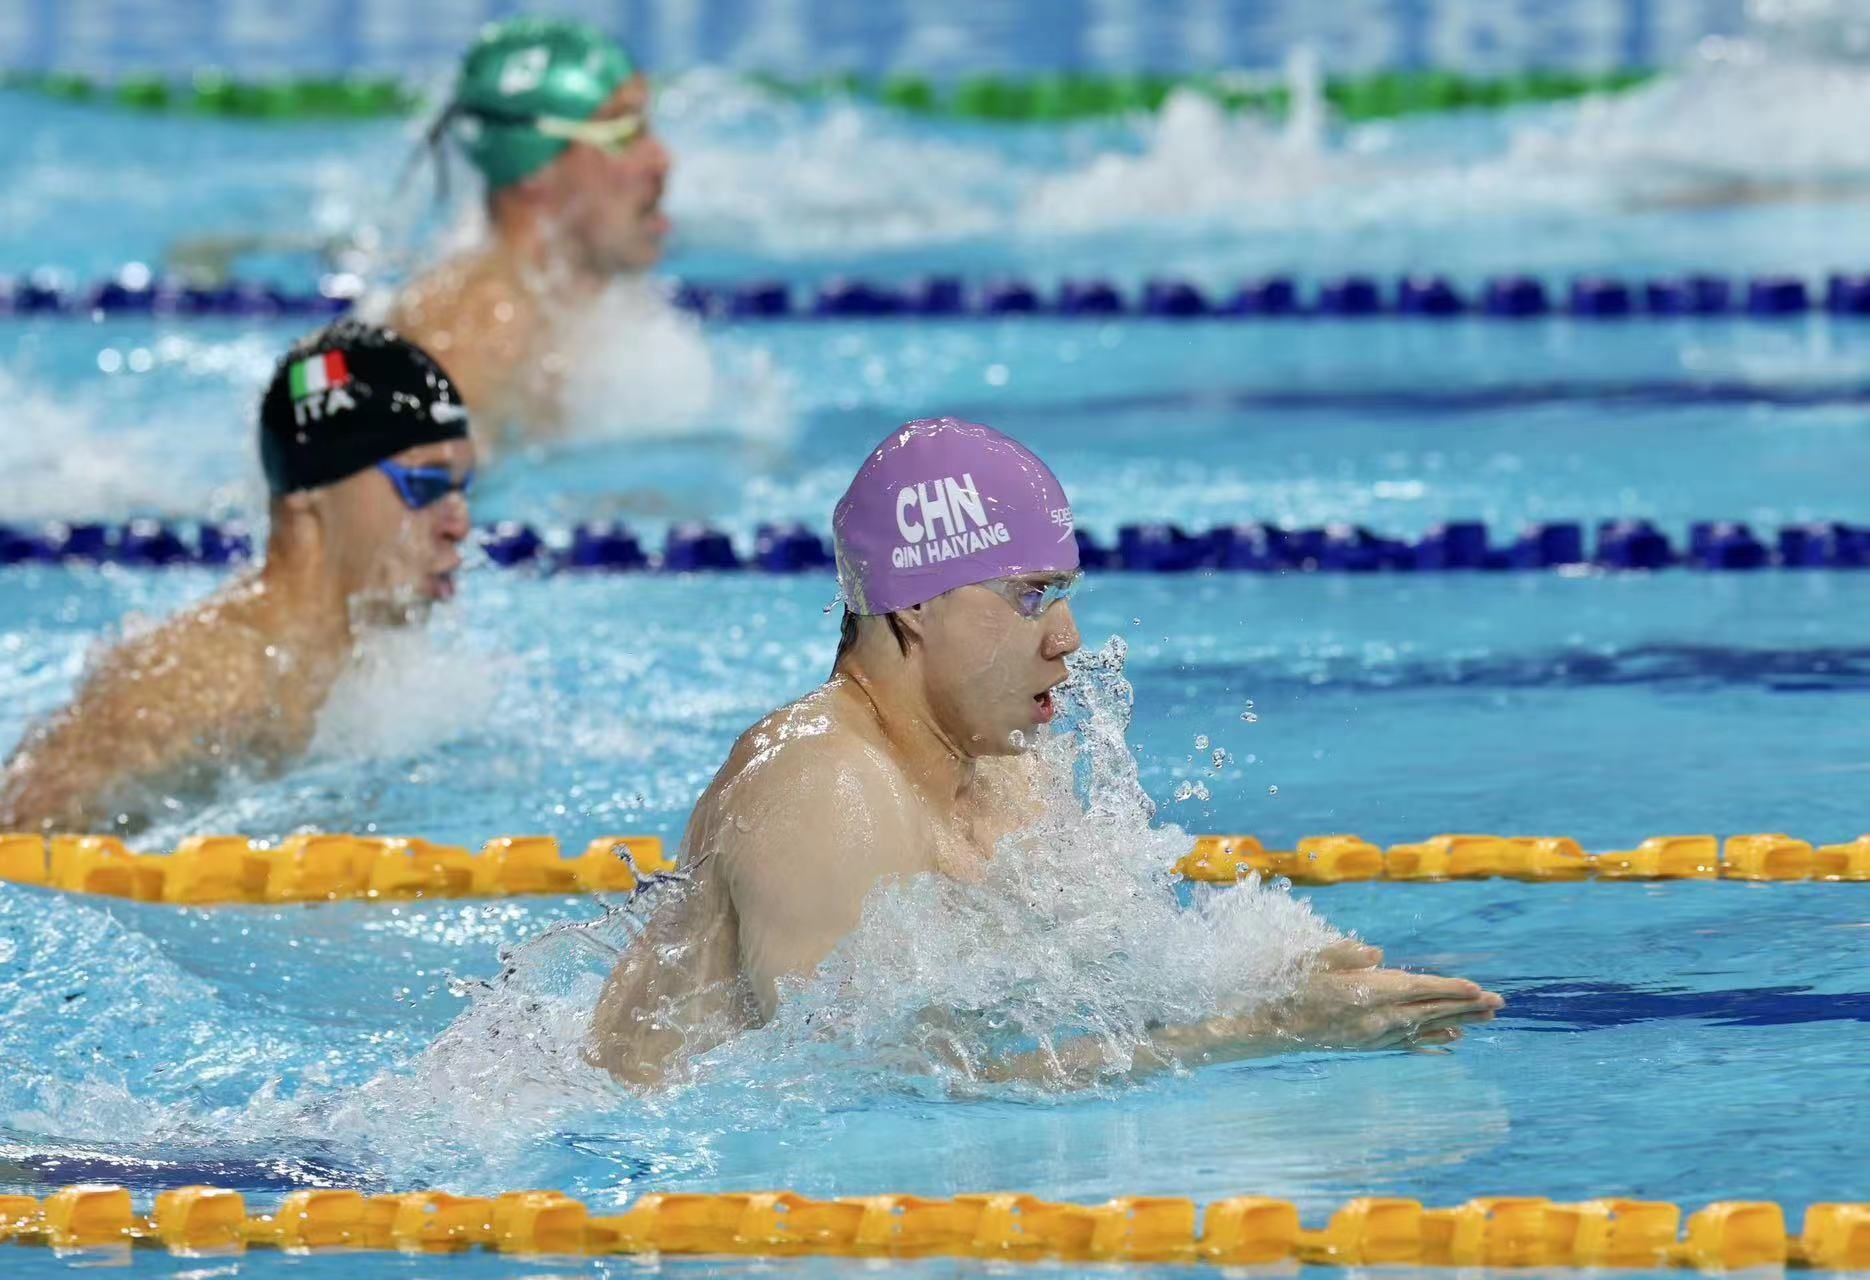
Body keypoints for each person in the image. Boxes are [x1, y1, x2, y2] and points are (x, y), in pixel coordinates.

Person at [588, 417, 1504, 1086]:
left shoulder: (1001, 773)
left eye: (1064, 594)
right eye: (1032, 596)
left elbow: (1086, 986)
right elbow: (861, 1095)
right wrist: (1257, 1031)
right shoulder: (825, 788)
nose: (1068, 638)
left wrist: (1270, 981)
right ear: (915, 603)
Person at [0, 321, 475, 834]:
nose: (459, 523)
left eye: (462, 486)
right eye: (424, 485)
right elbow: (19, 828)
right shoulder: (208, 679)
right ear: (313, 491)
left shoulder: (360, 660)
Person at [389, 16, 672, 439]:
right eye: (622, 131)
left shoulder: (557, 309)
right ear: (533, 169)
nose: (661, 160)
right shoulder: (474, 338)